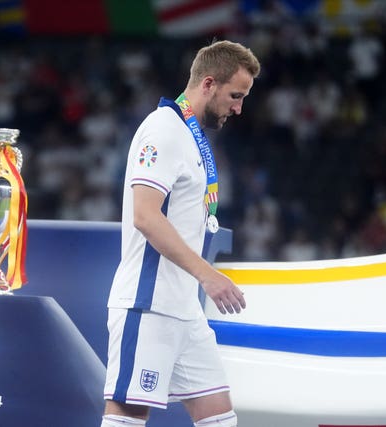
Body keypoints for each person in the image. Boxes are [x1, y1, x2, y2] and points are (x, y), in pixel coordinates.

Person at [102, 40, 260, 427]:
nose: (239, 108)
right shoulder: (164, 130)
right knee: (126, 417)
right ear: (208, 84)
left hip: (183, 306)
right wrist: (208, 275)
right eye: (235, 96)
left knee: (220, 419)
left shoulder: (190, 135)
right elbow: (145, 216)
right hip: (148, 302)